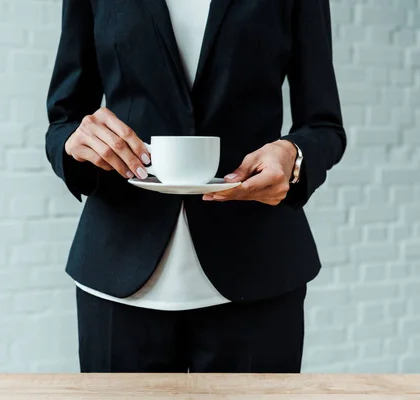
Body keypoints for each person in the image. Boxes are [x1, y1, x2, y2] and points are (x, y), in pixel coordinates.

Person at [45, 0, 346, 373]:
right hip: (117, 272)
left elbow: (324, 126)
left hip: (257, 274)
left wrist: (294, 155)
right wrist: (76, 141)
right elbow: (64, 121)